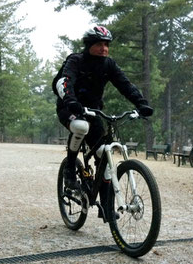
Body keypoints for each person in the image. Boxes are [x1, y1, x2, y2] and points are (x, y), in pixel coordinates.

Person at [54, 25, 153, 219]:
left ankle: (107, 206)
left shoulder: (108, 65)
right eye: (99, 44)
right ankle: (70, 167)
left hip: (94, 111)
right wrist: (71, 100)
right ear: (89, 45)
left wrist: (141, 104)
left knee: (104, 155)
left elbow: (125, 85)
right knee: (80, 127)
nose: (104, 48)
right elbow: (63, 82)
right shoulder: (76, 60)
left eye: (106, 45)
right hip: (70, 107)